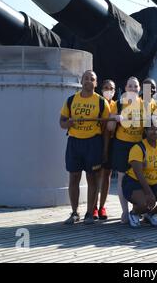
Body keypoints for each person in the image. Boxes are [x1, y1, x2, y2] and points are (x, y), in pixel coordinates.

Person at [60, 70, 111, 225]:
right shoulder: (71, 100)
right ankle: (75, 213)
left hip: (93, 143)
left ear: (96, 83)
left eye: (92, 79)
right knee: (74, 177)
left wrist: (105, 150)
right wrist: (67, 123)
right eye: (86, 78)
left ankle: (90, 213)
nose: (89, 81)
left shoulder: (102, 102)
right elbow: (61, 122)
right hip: (75, 142)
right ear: (81, 81)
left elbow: (106, 131)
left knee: (92, 178)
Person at [108, 77, 147, 224]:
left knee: (139, 178)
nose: (133, 89)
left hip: (138, 146)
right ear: (125, 88)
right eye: (130, 86)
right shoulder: (118, 104)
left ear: (139, 89)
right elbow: (110, 128)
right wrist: (115, 118)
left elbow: (152, 125)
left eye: (135, 86)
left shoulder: (145, 105)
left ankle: (137, 209)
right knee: (122, 178)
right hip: (122, 145)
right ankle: (124, 211)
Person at [93, 79, 117, 220]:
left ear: (115, 91)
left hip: (112, 141)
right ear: (101, 89)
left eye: (111, 88)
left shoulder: (116, 105)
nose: (108, 90)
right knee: (96, 175)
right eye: (106, 87)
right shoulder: (97, 102)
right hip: (96, 140)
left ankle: (102, 206)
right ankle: (94, 206)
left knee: (107, 175)